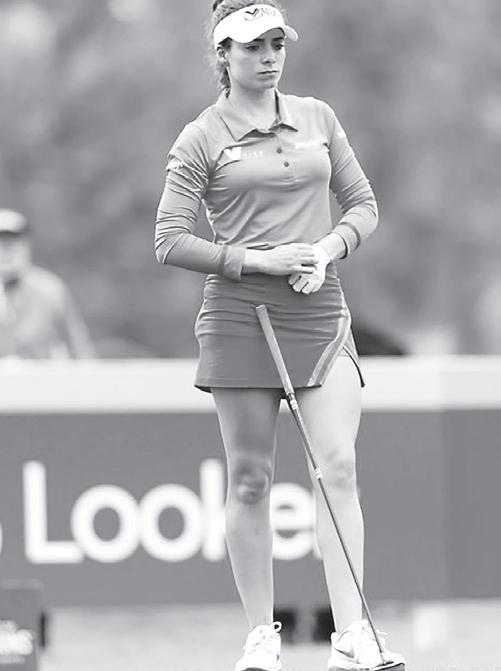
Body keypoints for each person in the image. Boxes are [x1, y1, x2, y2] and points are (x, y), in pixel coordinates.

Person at [155, 3, 405, 670]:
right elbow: (169, 239)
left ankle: (351, 634)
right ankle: (261, 636)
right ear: (223, 55)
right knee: (250, 480)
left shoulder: (317, 117)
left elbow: (363, 206)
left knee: (338, 467)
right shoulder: (202, 136)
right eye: (251, 47)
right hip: (241, 317)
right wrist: (258, 261)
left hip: (319, 312)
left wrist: (325, 249)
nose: (268, 57)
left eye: (276, 43)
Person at [0, 209, 95, 360]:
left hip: (41, 373)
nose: (6, 252)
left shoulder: (50, 289)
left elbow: (79, 347)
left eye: (11, 245)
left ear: (26, 246)